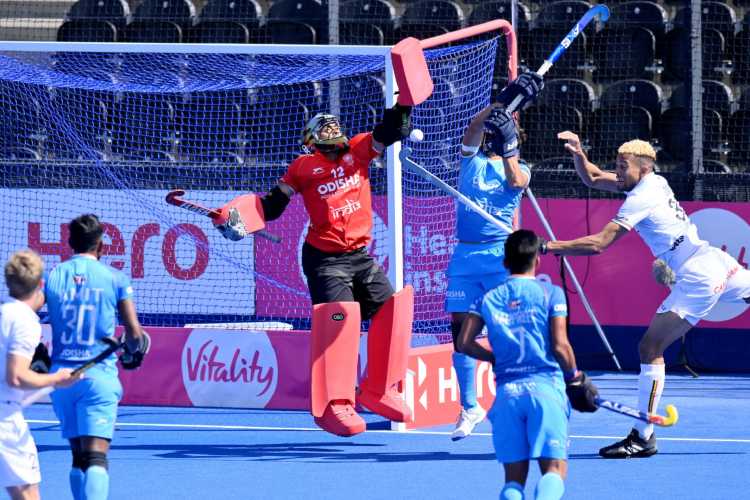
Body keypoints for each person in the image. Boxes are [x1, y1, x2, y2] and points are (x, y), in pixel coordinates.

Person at [217, 104, 416, 437]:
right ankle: (333, 405)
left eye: (334, 140)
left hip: (360, 258)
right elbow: (273, 205)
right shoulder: (303, 167)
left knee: (392, 310)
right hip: (326, 261)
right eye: (324, 142)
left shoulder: (359, 150)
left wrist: (405, 105)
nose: (332, 146)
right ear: (311, 144)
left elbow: (389, 130)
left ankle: (379, 388)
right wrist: (235, 219)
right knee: (340, 319)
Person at [548, 132, 750, 458]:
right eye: (617, 164)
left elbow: (599, 243)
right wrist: (578, 152)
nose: (618, 170)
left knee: (650, 347)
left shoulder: (640, 198)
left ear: (642, 168)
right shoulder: (652, 182)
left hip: (698, 276)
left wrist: (548, 246)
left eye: (623, 166)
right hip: (715, 261)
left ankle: (643, 435)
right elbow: (594, 178)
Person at [457, 229, 598, 500]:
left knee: (513, 481)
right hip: (545, 391)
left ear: (505, 262)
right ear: (538, 261)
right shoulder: (551, 294)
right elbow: (560, 345)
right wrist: (575, 377)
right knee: (554, 470)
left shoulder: (487, 298)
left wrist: (494, 358)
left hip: (508, 396)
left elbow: (464, 342)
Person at [444, 72, 543, 440]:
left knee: (507, 335)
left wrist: (510, 145)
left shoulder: (519, 168)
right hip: (465, 260)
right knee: (461, 334)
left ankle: (515, 403)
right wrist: (501, 103)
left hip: (500, 259)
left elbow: (516, 180)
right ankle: (469, 406)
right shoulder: (471, 162)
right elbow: (472, 128)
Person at [45, 214, 150, 499]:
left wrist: (39, 356)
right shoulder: (115, 278)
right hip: (98, 378)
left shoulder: (52, 275)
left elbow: (26, 316)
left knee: (78, 458)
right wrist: (133, 353)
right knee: (96, 459)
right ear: (101, 246)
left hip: (61, 379)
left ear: (69, 244)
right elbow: (133, 333)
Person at [0, 250, 79, 500]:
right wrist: (57, 379)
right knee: (29, 494)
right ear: (40, 284)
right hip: (5, 421)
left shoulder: (4, 313)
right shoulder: (25, 321)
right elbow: (17, 377)